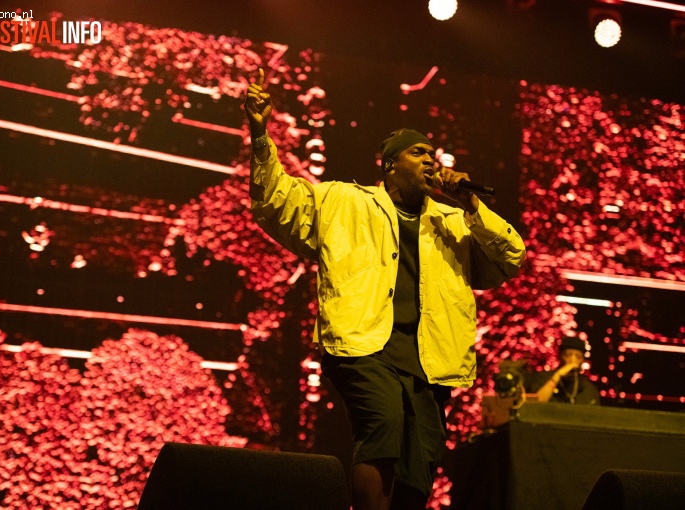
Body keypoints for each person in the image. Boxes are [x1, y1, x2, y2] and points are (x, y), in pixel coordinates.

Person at [245, 69, 526, 510]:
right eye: (418, 153)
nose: (432, 160)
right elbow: (274, 201)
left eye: (434, 153)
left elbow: (512, 257)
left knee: (421, 460)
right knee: (384, 421)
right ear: (390, 163)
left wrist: (472, 205)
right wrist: (261, 135)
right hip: (364, 345)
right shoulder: (345, 202)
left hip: (430, 358)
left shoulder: (455, 223)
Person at [528, 336, 601, 405]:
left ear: (583, 360)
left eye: (578, 357)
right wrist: (557, 375)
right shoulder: (543, 378)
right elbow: (535, 404)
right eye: (568, 355)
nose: (573, 361)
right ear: (560, 355)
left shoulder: (588, 388)